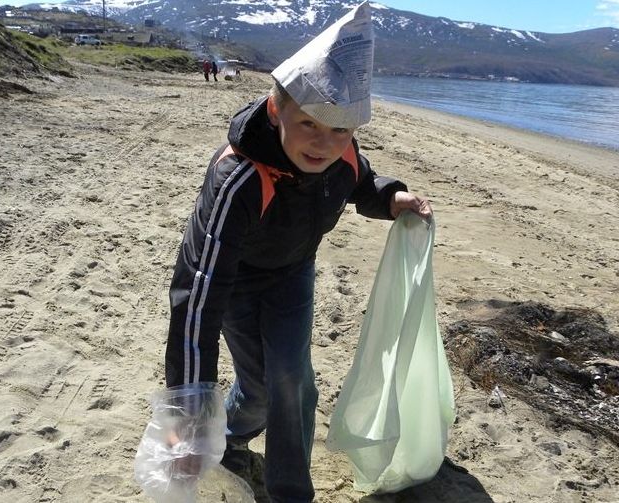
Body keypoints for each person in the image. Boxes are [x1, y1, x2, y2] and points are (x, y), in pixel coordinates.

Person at [163, 2, 430, 501]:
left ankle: (290, 492)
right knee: (260, 386)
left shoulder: (342, 156)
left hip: (292, 274)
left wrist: (391, 198)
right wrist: (190, 417)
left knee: (293, 381)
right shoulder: (238, 183)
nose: (323, 143)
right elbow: (196, 305)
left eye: (339, 130)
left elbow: (360, 182)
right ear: (276, 108)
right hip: (232, 279)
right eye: (308, 123)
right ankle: (234, 431)